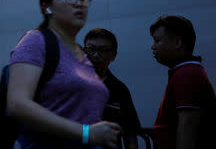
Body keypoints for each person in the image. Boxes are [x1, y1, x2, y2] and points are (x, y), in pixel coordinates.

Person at [7, 0, 121, 149]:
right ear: (47, 8)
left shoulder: (82, 55)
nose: (79, 3)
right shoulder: (36, 41)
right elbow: (18, 104)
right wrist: (85, 133)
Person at [149, 15, 216, 149]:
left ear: (178, 43)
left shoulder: (187, 74)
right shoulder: (187, 71)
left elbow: (188, 123)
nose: (153, 47)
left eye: (157, 41)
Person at [83, 29, 141, 149]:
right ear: (84, 51)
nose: (96, 55)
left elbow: (130, 134)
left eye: (103, 50)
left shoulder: (119, 90)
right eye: (91, 48)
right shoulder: (71, 83)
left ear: (114, 55)